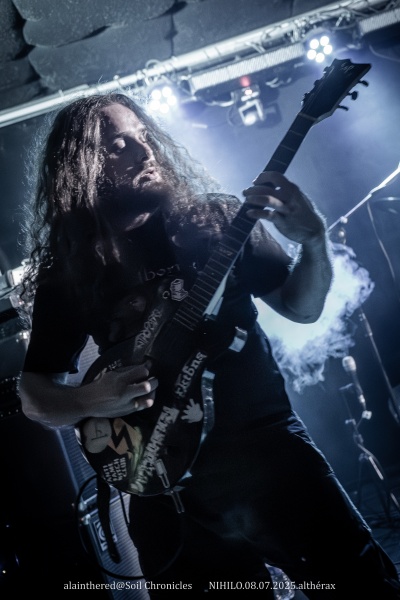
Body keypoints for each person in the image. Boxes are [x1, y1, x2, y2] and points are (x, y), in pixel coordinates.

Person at [18, 92, 400, 598]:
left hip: (272, 459)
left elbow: (302, 308)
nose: (145, 151)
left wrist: (313, 241)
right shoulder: (71, 272)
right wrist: (91, 399)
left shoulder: (217, 221)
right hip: (166, 488)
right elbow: (35, 394)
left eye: (144, 136)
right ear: (81, 165)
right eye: (118, 144)